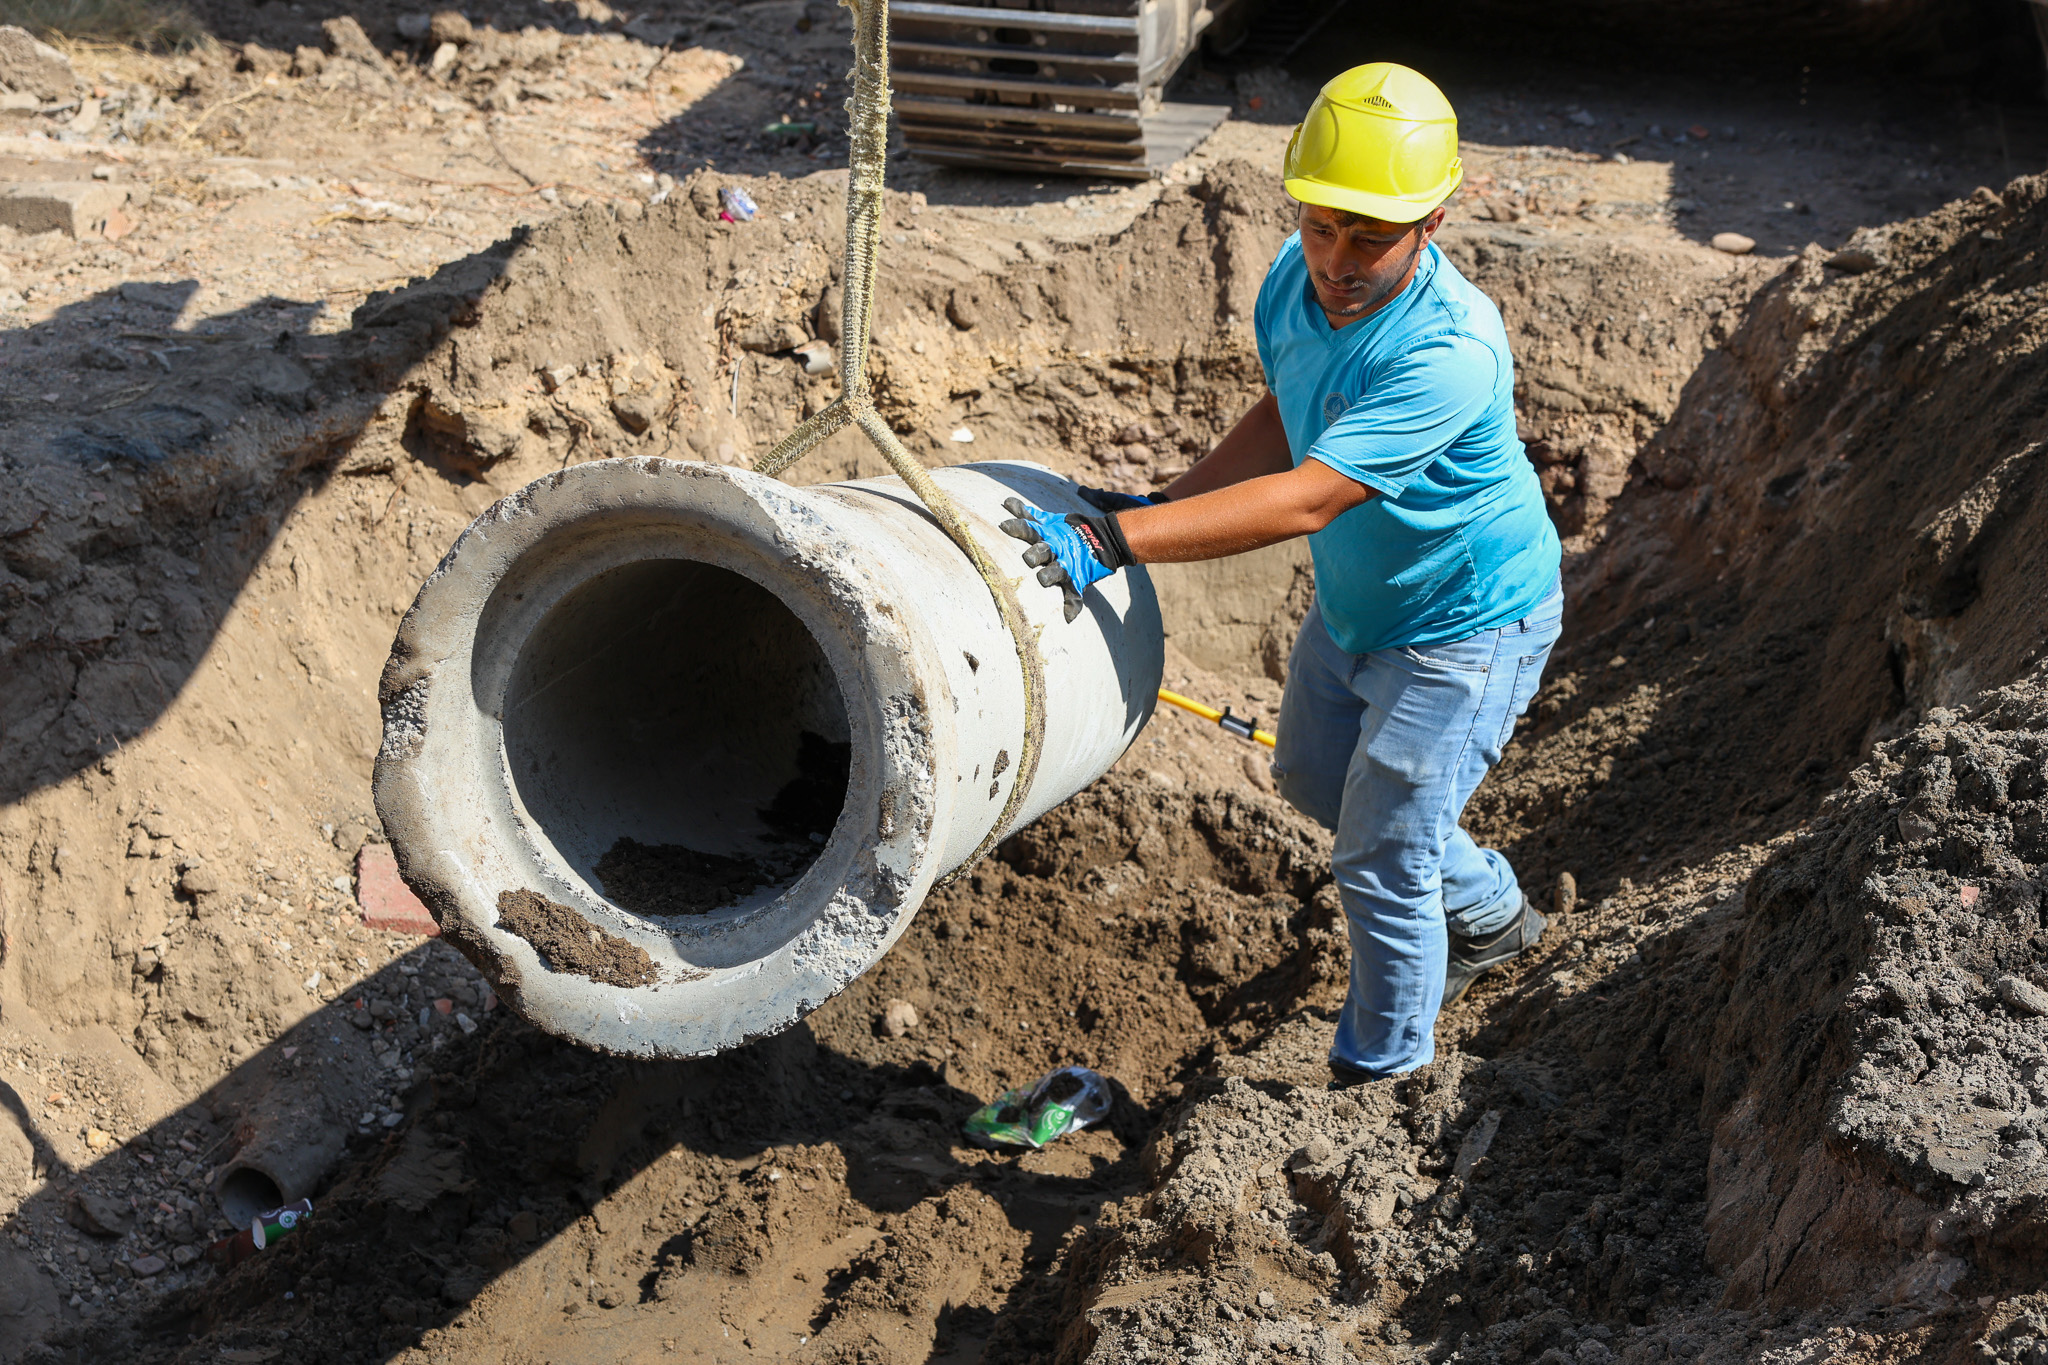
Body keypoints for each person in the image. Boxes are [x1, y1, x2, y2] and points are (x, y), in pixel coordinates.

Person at [999, 62, 1563, 1088]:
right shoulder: (1292, 285)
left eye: (1368, 238)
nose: (1336, 261)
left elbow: (1307, 496)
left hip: (1463, 624)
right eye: (1319, 227)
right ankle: (1485, 912)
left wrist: (1124, 544)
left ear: (1430, 224)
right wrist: (1159, 504)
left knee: (1380, 858)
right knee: (1311, 781)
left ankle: (1376, 1076)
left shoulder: (1447, 351)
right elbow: (1288, 413)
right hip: (1359, 607)